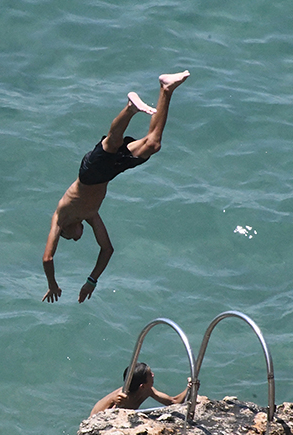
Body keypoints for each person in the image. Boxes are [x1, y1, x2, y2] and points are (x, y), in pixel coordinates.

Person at [42, 71, 190, 303]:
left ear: (64, 233)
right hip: (109, 174)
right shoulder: (91, 215)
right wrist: (91, 280)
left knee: (112, 142)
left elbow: (48, 259)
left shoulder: (61, 217)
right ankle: (166, 88)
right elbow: (107, 249)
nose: (77, 240)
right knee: (153, 144)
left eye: (69, 240)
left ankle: (130, 108)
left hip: (89, 173)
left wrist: (52, 284)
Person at [90, 362, 188, 416]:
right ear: (142, 386)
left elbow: (173, 402)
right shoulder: (122, 397)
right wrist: (112, 400)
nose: (153, 375)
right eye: (150, 375)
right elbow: (95, 416)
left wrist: (190, 387)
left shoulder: (148, 390)